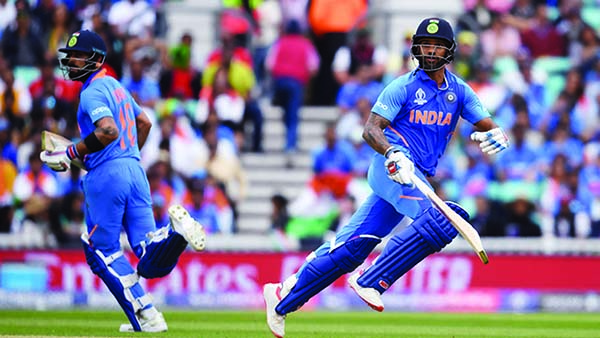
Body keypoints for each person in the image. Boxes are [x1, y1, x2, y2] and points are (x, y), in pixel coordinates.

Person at [263, 18, 510, 337]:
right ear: (416, 49)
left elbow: (488, 124)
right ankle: (371, 280)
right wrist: (393, 154)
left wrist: (499, 134)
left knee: (350, 248)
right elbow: (371, 129)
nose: (430, 51)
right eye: (424, 44)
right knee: (442, 220)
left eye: (436, 46)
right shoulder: (403, 86)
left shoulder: (459, 92)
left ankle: (282, 296)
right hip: (392, 168)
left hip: (417, 175)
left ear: (449, 51)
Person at [39, 30, 206, 332]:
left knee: (100, 249)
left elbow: (108, 131)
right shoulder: (116, 86)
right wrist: (128, 157)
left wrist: (72, 152)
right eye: (70, 57)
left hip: (108, 174)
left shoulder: (91, 92)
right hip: (135, 170)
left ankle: (144, 312)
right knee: (146, 253)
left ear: (97, 58)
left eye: (78, 56)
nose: (72, 62)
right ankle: (173, 239)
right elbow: (144, 122)